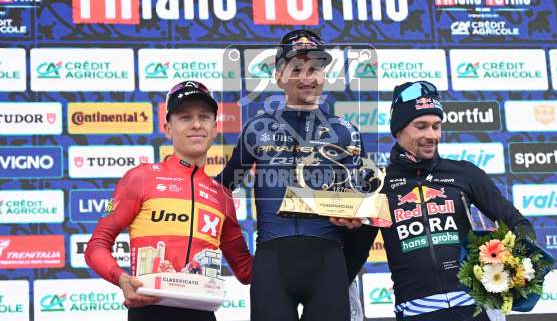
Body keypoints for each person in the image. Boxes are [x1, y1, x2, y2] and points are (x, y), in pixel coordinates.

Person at [342, 80, 535, 321]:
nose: (431, 135)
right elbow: (355, 254)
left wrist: (520, 258)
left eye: (436, 126)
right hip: (416, 310)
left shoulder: (464, 173)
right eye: (421, 126)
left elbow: (517, 222)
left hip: (473, 308)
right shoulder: (380, 184)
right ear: (398, 130)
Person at [217, 29, 364, 321]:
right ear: (279, 76)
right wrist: (237, 252)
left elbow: (363, 197)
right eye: (296, 69)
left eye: (315, 69)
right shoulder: (257, 129)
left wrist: (357, 215)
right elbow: (221, 189)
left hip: (329, 263)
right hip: (272, 263)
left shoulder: (345, 131)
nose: (307, 77)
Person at [85, 80, 253, 321]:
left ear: (215, 128)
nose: (196, 124)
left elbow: (246, 270)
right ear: (167, 128)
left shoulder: (222, 195)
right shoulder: (141, 177)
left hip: (202, 315)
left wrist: (292, 240)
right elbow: (96, 245)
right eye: (185, 117)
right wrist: (121, 279)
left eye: (204, 117)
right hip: (149, 311)